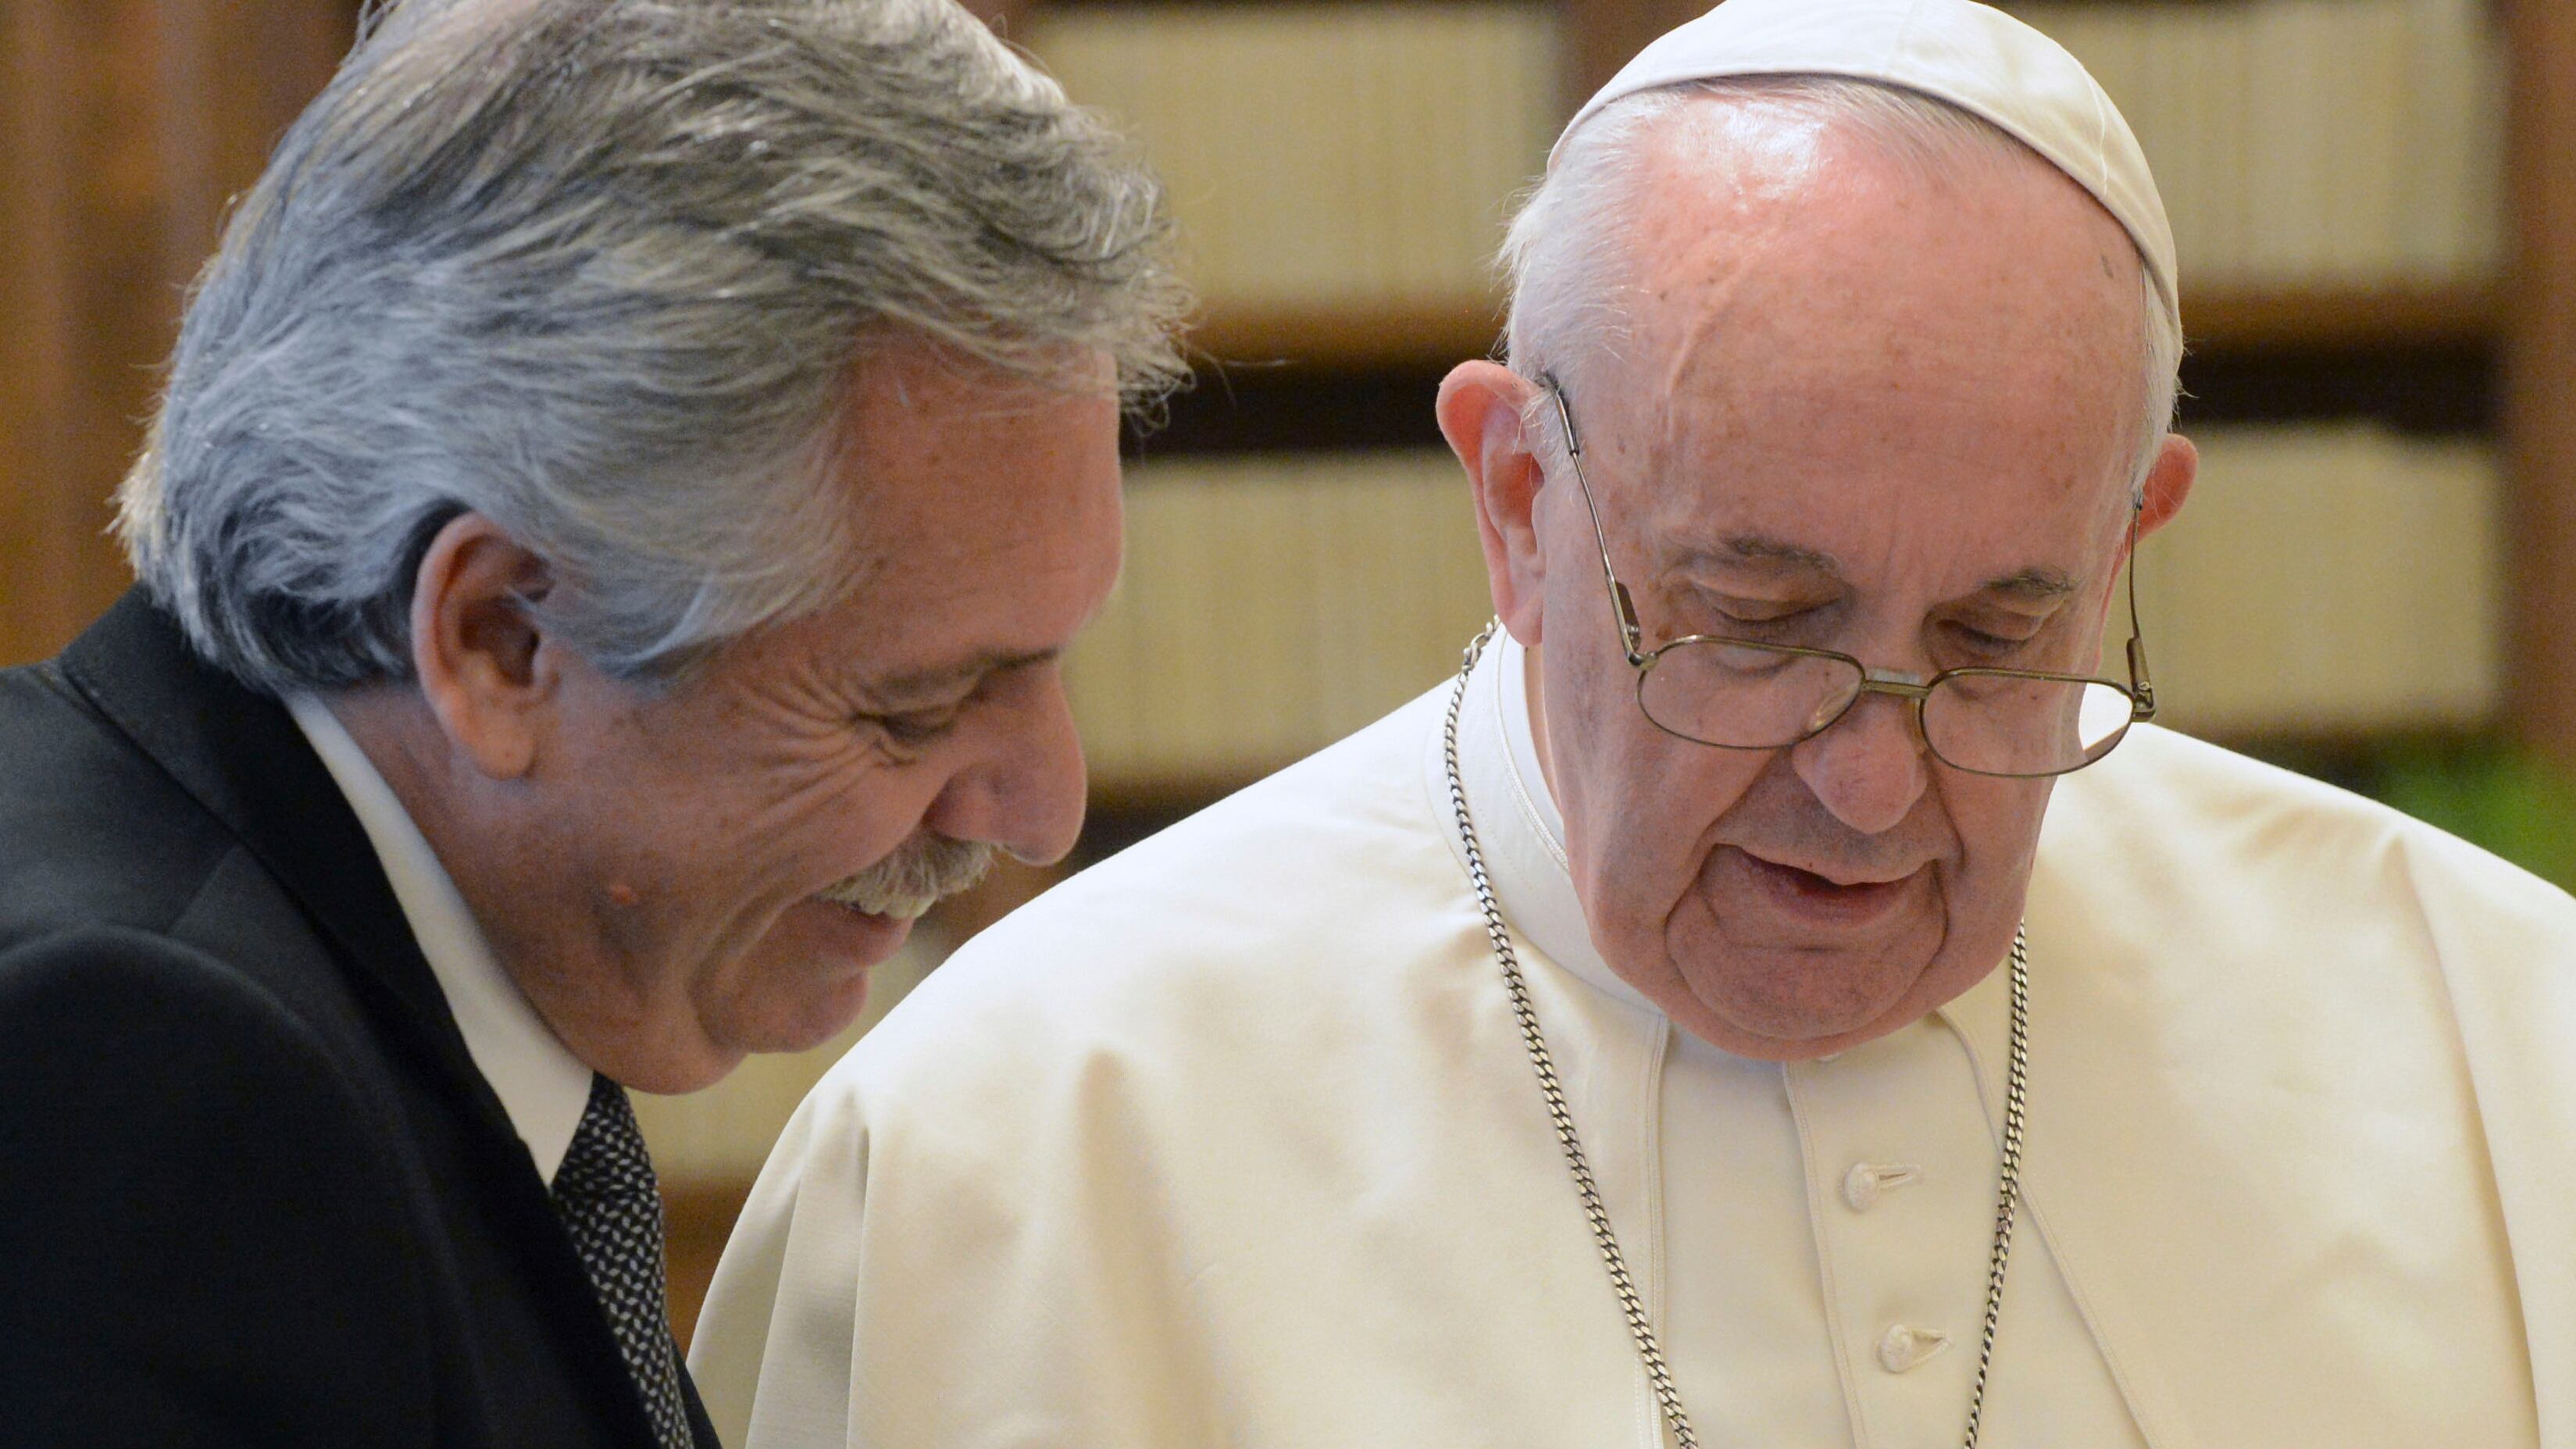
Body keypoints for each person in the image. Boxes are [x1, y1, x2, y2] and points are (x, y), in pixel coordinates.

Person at [691, 0, 2576, 1444]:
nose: (1864, 783)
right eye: (1754, 618)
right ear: (1514, 497)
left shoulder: (2496, 1037)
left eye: (2000, 637)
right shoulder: (1012, 1151)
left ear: (2127, 541)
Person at [0, 0, 1184, 1444]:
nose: (1040, 809)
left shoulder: (386, 977)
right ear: (499, 639)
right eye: (913, 706)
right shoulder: (149, 1084)